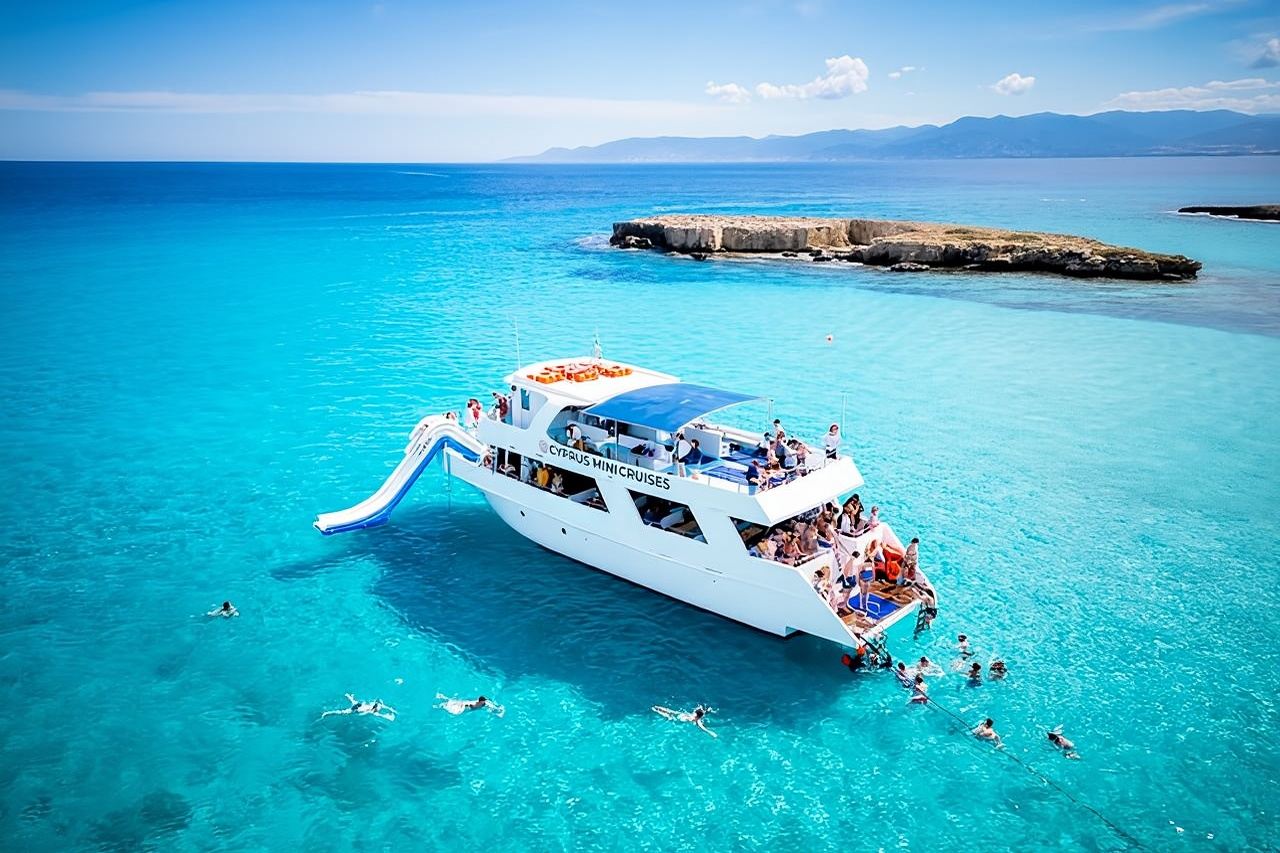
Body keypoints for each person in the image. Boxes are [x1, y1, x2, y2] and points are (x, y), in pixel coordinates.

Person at [652, 704, 717, 738]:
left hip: (681, 715)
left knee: (670, 712)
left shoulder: (694, 714)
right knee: (668, 716)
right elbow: (704, 729)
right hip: (679, 719)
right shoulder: (697, 721)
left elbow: (699, 711)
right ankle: (657, 710)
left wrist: (706, 710)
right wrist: (711, 733)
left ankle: (657, 708)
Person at [322, 693, 397, 721]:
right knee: (341, 712)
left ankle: (348, 696)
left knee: (353, 702)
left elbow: (381, 709)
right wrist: (389, 717)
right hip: (357, 709)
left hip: (359, 706)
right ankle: (326, 713)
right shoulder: (372, 711)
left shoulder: (372, 706)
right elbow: (381, 715)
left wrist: (390, 710)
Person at [436, 693, 504, 716]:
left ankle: (441, 698)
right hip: (461, 708)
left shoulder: (480, 702)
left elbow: (488, 705)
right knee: (447, 706)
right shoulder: (475, 704)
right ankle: (440, 703)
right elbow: (468, 705)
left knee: (449, 703)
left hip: (462, 705)